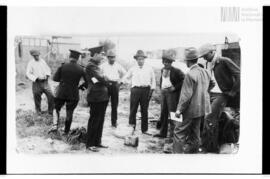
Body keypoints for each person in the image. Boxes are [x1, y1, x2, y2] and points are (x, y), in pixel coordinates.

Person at [199, 43, 240, 153]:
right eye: (202, 56)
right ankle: (214, 145)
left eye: (205, 55)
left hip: (222, 95)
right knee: (212, 119)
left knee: (209, 118)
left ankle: (205, 147)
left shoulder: (223, 60)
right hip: (211, 94)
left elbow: (239, 74)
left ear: (212, 52)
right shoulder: (209, 64)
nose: (204, 58)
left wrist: (233, 91)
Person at [173, 47, 214, 153]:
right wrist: (203, 93)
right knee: (195, 133)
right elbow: (212, 84)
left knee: (179, 132)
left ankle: (176, 158)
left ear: (188, 61)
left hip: (190, 110)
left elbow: (186, 96)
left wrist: (178, 111)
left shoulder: (190, 75)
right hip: (202, 109)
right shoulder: (206, 72)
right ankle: (193, 156)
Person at [51, 50, 87, 134]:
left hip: (61, 92)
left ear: (69, 57)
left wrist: (63, 80)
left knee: (56, 108)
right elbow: (87, 82)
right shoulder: (81, 69)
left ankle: (55, 126)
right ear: (78, 58)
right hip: (73, 94)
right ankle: (66, 132)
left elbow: (55, 79)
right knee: (69, 112)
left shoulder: (63, 66)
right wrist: (81, 87)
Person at [121, 50, 156, 134]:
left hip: (145, 90)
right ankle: (131, 128)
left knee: (144, 110)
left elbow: (153, 80)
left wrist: (151, 91)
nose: (140, 61)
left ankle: (144, 129)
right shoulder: (133, 68)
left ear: (144, 59)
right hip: (135, 90)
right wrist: (130, 84)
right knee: (133, 109)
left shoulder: (149, 68)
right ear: (136, 60)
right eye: (138, 59)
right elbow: (125, 78)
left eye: (142, 59)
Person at [154, 50, 185, 141]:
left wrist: (175, 88)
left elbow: (184, 80)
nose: (166, 63)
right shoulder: (162, 69)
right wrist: (161, 89)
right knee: (163, 113)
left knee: (173, 114)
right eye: (165, 61)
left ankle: (173, 135)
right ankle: (162, 133)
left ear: (171, 62)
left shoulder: (176, 71)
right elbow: (162, 80)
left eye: (168, 62)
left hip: (172, 94)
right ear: (163, 61)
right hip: (164, 93)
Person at [85, 54, 109, 152]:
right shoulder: (91, 66)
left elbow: (100, 79)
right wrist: (105, 78)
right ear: (94, 55)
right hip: (96, 97)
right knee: (94, 120)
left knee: (100, 120)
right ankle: (90, 144)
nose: (102, 58)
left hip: (102, 97)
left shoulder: (96, 66)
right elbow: (102, 78)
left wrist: (103, 79)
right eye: (100, 56)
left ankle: (97, 142)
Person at [100, 50, 127, 127]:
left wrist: (121, 82)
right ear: (107, 58)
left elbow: (126, 74)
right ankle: (101, 121)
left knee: (114, 105)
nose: (112, 59)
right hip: (106, 86)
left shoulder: (118, 65)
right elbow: (98, 74)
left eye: (113, 57)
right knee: (103, 104)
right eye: (110, 57)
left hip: (115, 85)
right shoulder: (103, 66)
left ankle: (114, 122)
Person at [26, 49, 54, 115]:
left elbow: (48, 69)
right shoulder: (31, 63)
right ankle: (38, 111)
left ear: (39, 55)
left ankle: (50, 111)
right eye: (35, 56)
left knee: (51, 96)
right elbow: (28, 73)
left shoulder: (42, 61)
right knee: (36, 96)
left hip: (45, 82)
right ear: (32, 56)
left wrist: (47, 75)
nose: (36, 57)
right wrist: (36, 78)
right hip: (37, 83)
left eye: (37, 55)